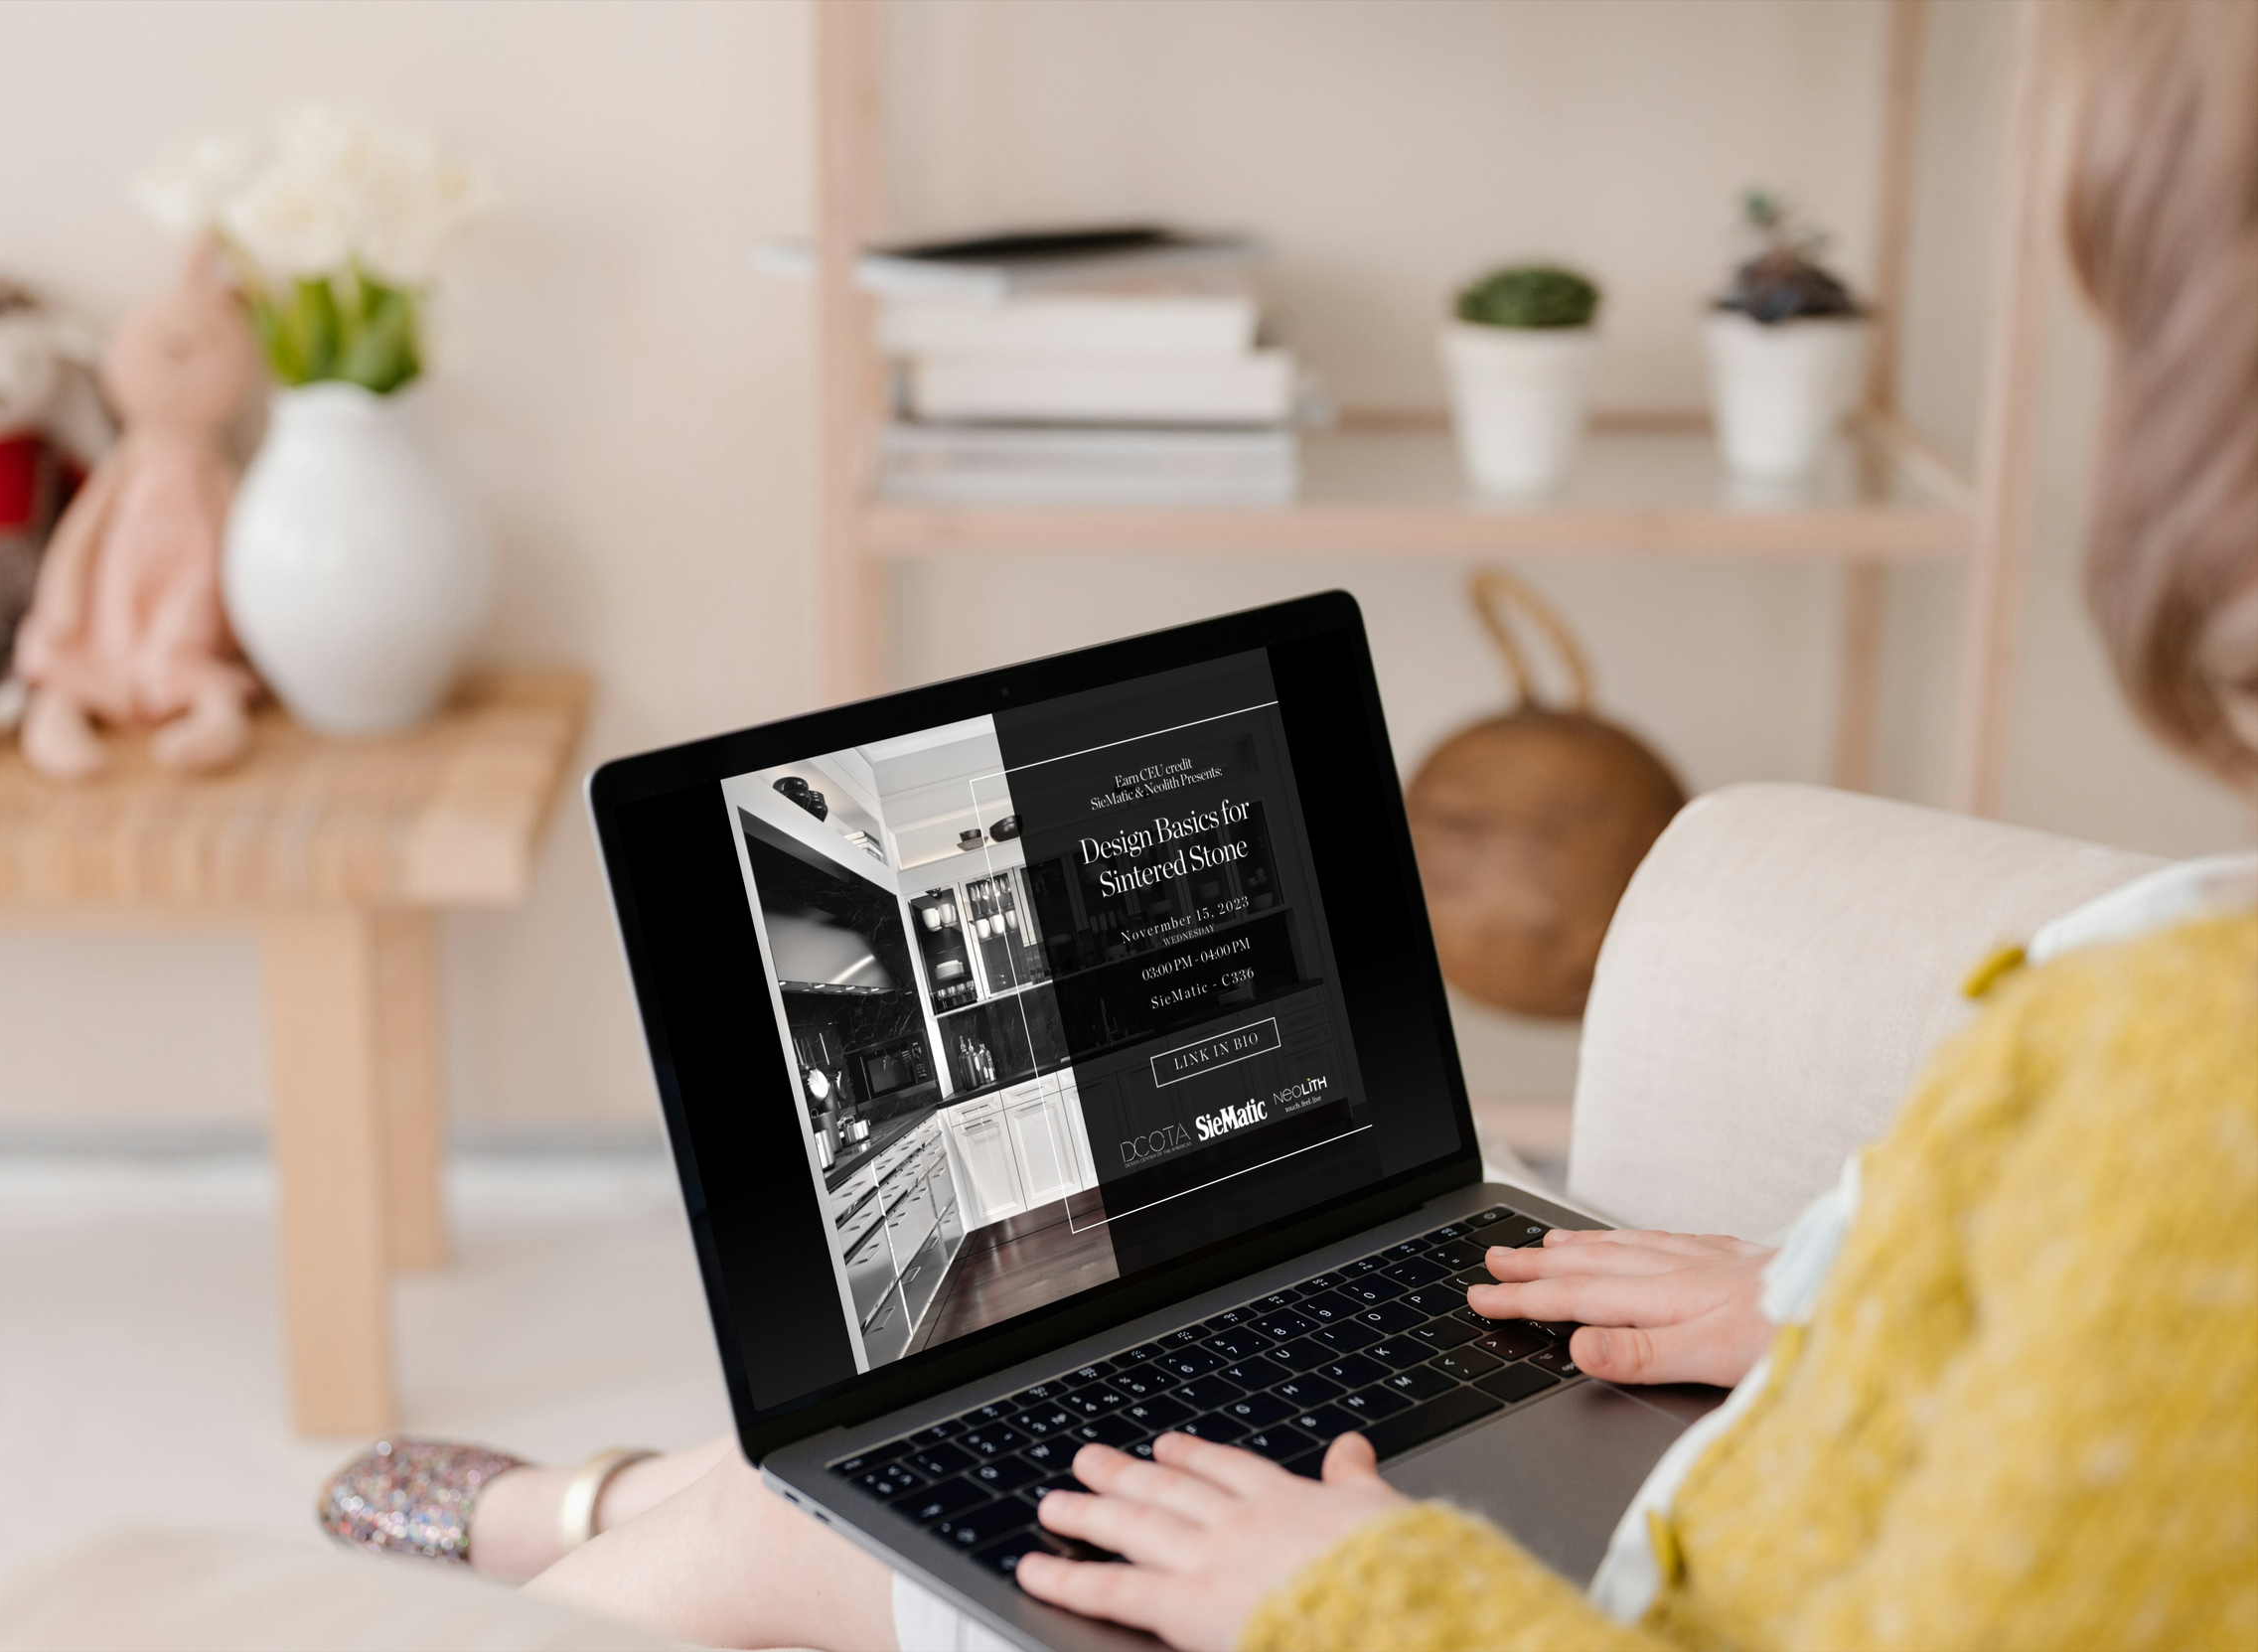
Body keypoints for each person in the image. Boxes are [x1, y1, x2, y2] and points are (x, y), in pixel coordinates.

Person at [320, 3, 2258, 1646]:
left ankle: (589, 1522)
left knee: (801, 1535)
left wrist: (1350, 1594)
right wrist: (1853, 1321)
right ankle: (621, 1505)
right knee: (892, 1469)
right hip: (1758, 1436)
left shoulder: (2182, 1083)